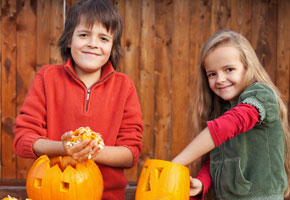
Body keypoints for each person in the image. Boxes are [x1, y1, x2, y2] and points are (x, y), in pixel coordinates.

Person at [13, 0, 143, 199]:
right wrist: (64, 148)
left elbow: (130, 153)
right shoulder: (46, 78)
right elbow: (23, 140)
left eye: (103, 38)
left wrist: (89, 150)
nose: (93, 44)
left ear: (112, 46)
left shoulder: (124, 87)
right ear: (68, 40)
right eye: (84, 35)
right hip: (51, 193)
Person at [172, 30, 290, 199]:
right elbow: (217, 159)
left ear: (247, 67)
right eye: (212, 74)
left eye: (229, 69)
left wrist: (174, 165)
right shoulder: (222, 110)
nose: (220, 79)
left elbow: (228, 125)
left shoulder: (261, 96)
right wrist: (202, 182)